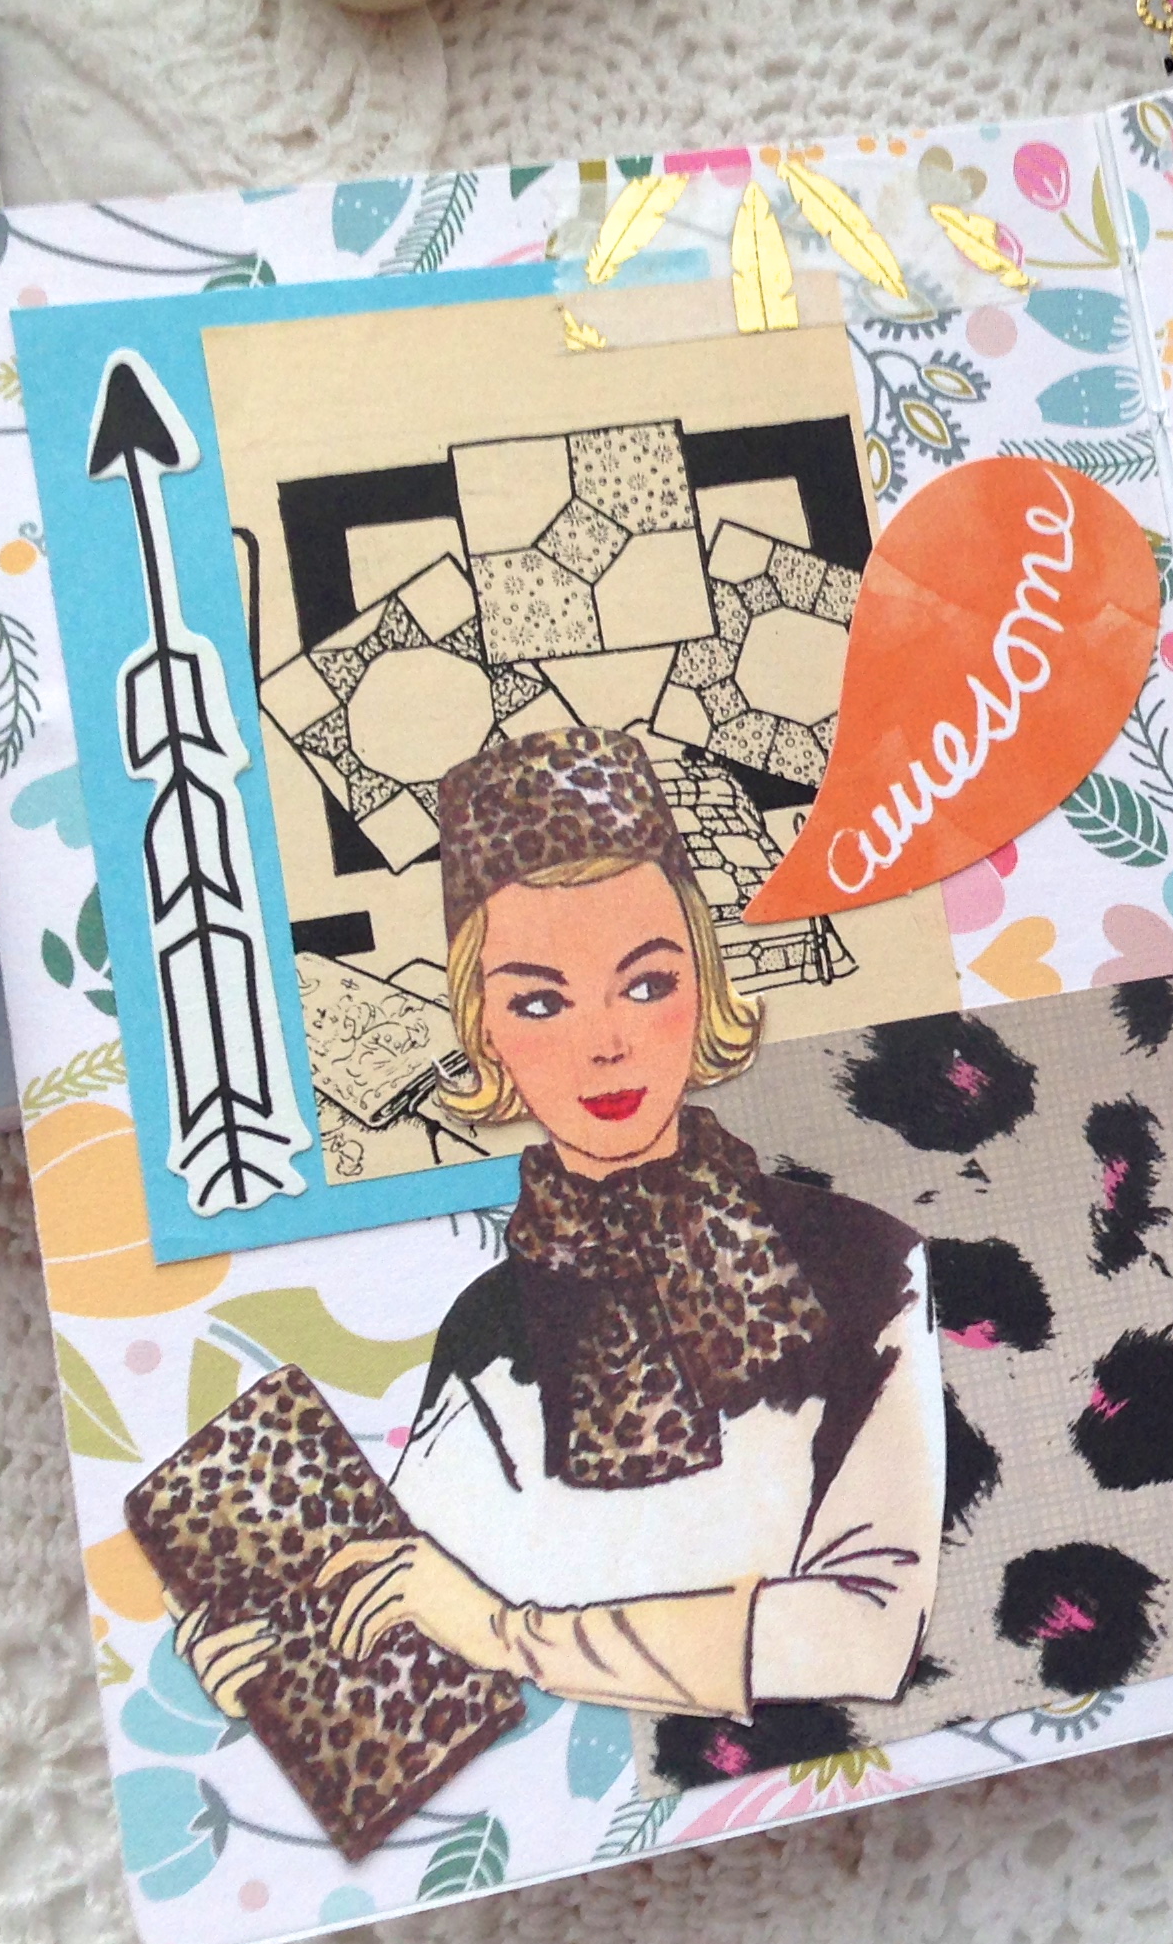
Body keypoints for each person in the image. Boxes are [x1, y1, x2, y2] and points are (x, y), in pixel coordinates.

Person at [177, 727, 942, 1731]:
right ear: (483, 1028)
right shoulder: (486, 1323)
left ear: (706, 984)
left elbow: (868, 1634)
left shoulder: (866, 1264)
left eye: (648, 983)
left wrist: (510, 1634)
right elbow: (414, 1618)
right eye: (541, 1002)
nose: (605, 1042)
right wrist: (285, 1664)